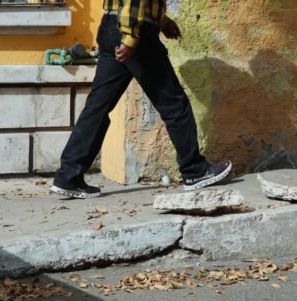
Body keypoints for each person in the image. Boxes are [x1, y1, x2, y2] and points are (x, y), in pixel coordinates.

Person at [50, 0, 232, 198]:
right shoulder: (132, 33)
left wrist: (161, 21)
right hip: (135, 34)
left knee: (97, 107)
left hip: (111, 25)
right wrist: (129, 38)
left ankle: (68, 176)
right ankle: (195, 171)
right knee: (174, 103)